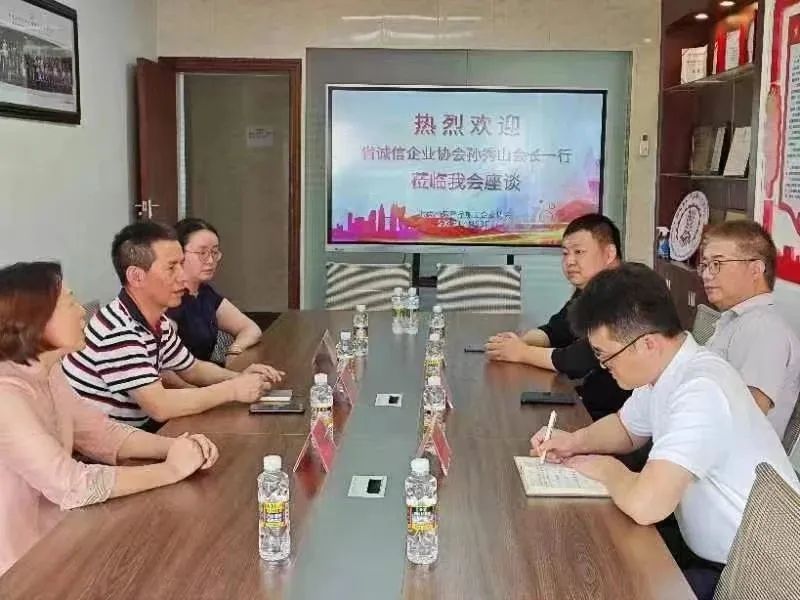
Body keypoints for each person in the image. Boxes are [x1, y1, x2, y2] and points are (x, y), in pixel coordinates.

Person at [531, 263, 799, 600]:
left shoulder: (701, 390)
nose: (604, 366)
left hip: (753, 576)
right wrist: (573, 442)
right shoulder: (669, 370)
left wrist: (606, 469)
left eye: (607, 356)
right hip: (708, 548)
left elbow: (646, 505)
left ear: (647, 344)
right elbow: (627, 429)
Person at [0, 262, 220, 577]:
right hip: (17, 566)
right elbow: (71, 485)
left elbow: (99, 433)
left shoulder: (49, 371)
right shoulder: (6, 396)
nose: (82, 312)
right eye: (69, 303)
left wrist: (175, 447)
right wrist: (170, 470)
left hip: (58, 537)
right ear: (34, 320)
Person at [63, 221, 284, 430]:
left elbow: (192, 368)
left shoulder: (157, 321)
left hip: (134, 432)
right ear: (136, 276)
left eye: (181, 264)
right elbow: (160, 406)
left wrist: (239, 377)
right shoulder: (119, 330)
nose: (182, 277)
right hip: (103, 447)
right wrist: (232, 389)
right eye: (171, 268)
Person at [486, 214, 630, 420]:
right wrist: (519, 342)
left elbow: (579, 359)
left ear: (609, 253)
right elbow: (558, 330)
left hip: (617, 415)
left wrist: (521, 352)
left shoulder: (626, 292)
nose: (569, 261)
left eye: (579, 252)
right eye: (565, 253)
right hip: (590, 403)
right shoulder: (592, 289)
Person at [699, 220, 800, 441]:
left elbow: (746, 421)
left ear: (756, 269)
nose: (706, 274)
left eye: (717, 264)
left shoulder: (764, 328)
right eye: (705, 265)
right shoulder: (738, 320)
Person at [168, 218, 262, 364]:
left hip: (207, 374)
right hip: (184, 378)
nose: (211, 261)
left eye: (214, 252)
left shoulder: (205, 293)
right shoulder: (169, 298)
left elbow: (251, 328)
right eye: (202, 253)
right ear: (179, 254)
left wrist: (234, 351)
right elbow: (165, 365)